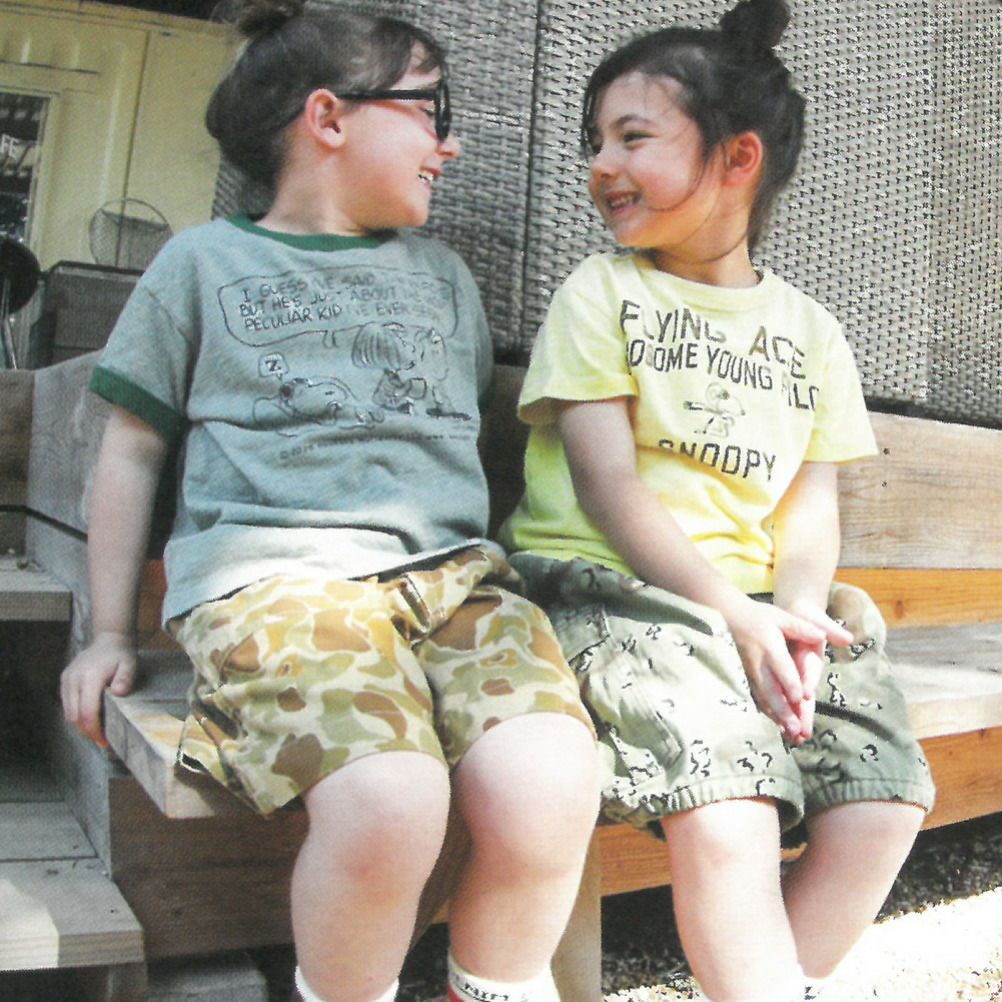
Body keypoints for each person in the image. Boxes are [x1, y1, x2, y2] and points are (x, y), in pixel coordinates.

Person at [59, 4, 600, 1001]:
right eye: (431, 110)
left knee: (553, 783)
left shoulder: (444, 278)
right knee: (391, 800)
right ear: (329, 117)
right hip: (279, 585)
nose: (450, 143)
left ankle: (493, 986)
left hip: (456, 585)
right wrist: (106, 632)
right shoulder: (200, 265)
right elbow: (129, 451)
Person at [500, 2, 935, 1000]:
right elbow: (609, 486)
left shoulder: (813, 331)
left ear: (738, 159)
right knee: (731, 801)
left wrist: (796, 617)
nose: (601, 165)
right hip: (612, 595)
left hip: (762, 606)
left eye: (632, 138)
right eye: (596, 141)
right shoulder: (602, 295)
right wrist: (732, 611)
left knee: (882, 800)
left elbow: (810, 504)